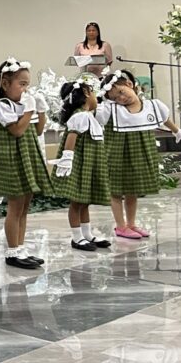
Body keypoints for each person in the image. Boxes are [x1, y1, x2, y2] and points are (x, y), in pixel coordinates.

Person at [97, 69, 181, 239]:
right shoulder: (111, 109)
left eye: (121, 92)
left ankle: (131, 224)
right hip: (117, 154)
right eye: (115, 98)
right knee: (115, 191)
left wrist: (177, 131)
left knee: (132, 190)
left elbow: (164, 119)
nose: (121, 99)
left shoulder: (152, 105)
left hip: (140, 152)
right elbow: (98, 118)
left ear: (129, 84)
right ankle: (120, 226)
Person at [0, 58, 52, 269]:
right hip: (12, 160)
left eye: (27, 84)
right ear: (5, 84)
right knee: (15, 208)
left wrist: (41, 111)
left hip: (27, 157)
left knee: (24, 207)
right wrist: (29, 111)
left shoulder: (24, 106)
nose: (26, 89)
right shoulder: (2, 105)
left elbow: (38, 130)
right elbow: (17, 130)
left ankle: (21, 247)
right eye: (22, 84)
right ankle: (12, 251)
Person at [51, 78, 112, 251]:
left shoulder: (89, 115)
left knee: (84, 202)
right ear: (86, 93)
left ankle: (87, 234)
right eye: (93, 92)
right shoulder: (80, 116)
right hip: (80, 163)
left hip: (89, 163)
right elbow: (72, 136)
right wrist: (67, 158)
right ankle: (77, 237)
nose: (96, 97)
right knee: (77, 202)